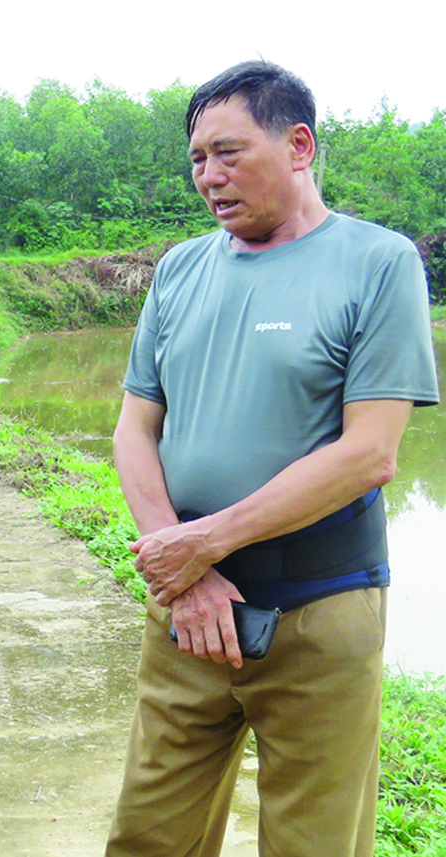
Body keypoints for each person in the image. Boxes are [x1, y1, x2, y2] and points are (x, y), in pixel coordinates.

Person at [104, 61, 439, 856]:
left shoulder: (378, 263)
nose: (208, 178)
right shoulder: (181, 268)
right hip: (186, 615)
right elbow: (132, 429)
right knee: (149, 835)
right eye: (196, 160)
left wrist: (204, 542)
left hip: (319, 616)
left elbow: (369, 454)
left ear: (298, 146)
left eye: (228, 153)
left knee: (314, 842)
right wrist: (180, 569)